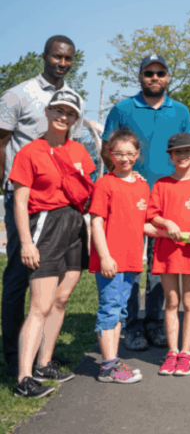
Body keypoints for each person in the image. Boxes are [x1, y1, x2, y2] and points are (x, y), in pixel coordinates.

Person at [0, 35, 83, 377]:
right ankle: (11, 355)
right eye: (56, 56)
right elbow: (2, 141)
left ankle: (38, 358)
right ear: (45, 55)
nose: (61, 63)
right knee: (21, 273)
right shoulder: (19, 94)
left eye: (68, 59)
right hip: (22, 195)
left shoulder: (72, 98)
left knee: (49, 279)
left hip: (56, 203)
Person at [101, 54, 190, 352]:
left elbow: (185, 149)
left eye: (160, 73)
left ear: (168, 77)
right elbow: (107, 150)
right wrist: (124, 175)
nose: (155, 78)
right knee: (129, 263)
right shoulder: (123, 109)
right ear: (140, 76)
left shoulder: (180, 111)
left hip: (167, 199)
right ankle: (130, 325)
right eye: (149, 73)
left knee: (159, 265)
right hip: (129, 198)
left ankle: (154, 321)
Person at [8, 90, 93, 398]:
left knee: (61, 300)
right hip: (45, 226)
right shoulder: (30, 152)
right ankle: (24, 378)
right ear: (47, 111)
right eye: (58, 110)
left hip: (74, 225)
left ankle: (44, 363)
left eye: (69, 113)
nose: (63, 116)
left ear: (75, 118)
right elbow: (20, 201)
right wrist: (27, 243)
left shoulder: (79, 151)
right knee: (40, 305)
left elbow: (90, 190)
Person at [147, 132, 190, 378]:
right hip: (167, 251)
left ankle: (186, 353)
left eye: (187, 151)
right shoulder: (162, 184)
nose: (182, 156)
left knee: (189, 301)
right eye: (177, 152)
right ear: (171, 157)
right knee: (171, 302)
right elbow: (152, 215)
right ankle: (172, 352)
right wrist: (167, 222)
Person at [89, 129, 148, 384]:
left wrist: (174, 231)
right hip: (110, 261)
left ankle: (112, 361)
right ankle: (108, 367)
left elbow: (143, 223)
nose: (125, 159)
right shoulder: (104, 184)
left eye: (130, 154)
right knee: (109, 309)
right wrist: (104, 256)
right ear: (110, 154)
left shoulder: (143, 185)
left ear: (137, 155)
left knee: (120, 311)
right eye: (119, 153)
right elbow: (96, 223)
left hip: (132, 260)